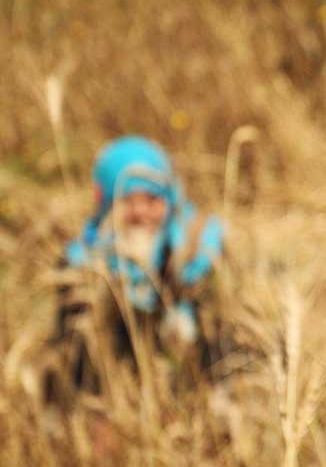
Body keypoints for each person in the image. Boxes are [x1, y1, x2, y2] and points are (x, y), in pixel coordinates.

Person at [48, 136, 224, 399]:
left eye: (152, 199)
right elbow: (73, 354)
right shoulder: (81, 264)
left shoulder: (200, 250)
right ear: (106, 205)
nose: (140, 212)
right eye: (127, 200)